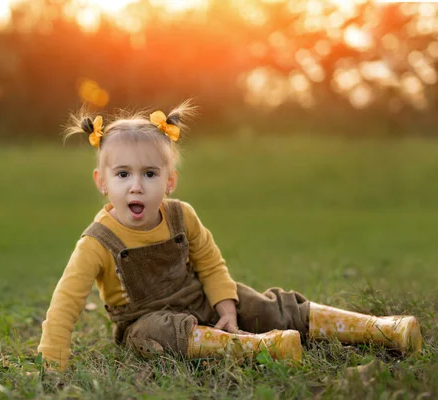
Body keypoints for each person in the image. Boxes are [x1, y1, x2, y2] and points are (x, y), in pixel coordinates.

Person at [37, 100, 422, 370]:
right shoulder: (97, 242)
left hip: (199, 298)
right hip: (145, 319)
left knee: (262, 305)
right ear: (102, 182)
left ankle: (381, 329)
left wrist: (225, 305)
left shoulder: (180, 215)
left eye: (149, 174)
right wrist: (53, 360)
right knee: (158, 334)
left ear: (169, 181)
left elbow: (209, 260)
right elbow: (66, 301)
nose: (136, 187)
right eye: (123, 175)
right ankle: (258, 349)